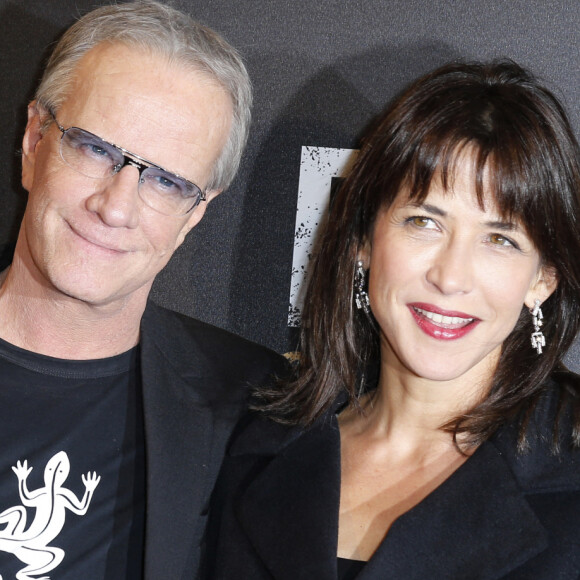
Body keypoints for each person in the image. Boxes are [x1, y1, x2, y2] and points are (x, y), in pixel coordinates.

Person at [206, 60, 580, 579]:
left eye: (500, 240)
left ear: (543, 279)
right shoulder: (252, 449)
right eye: (424, 222)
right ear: (363, 241)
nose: (451, 278)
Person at [0, 2, 284, 579]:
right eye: (94, 148)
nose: (116, 206)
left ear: (195, 214)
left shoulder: (256, 413)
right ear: (33, 141)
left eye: (166, 180)